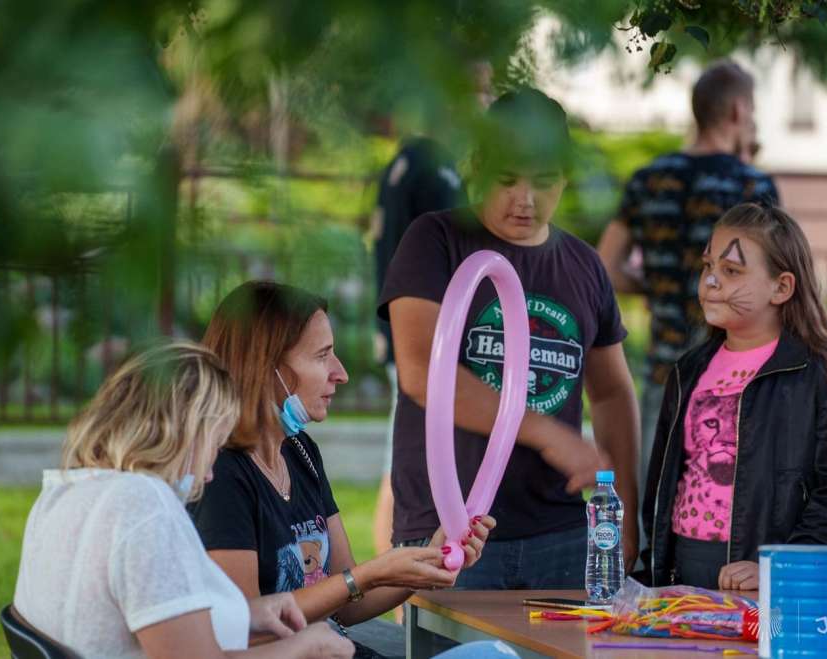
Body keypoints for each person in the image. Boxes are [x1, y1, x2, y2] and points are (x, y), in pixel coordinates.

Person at [379, 87, 641, 588]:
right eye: (506, 180)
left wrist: (623, 512)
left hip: (559, 532)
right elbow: (421, 375)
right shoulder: (435, 240)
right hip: (450, 531)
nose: (525, 200)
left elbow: (611, 392)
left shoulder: (585, 265)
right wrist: (548, 433)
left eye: (544, 182)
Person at [189, 282, 495, 657]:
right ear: (265, 366)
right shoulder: (220, 473)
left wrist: (432, 559)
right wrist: (368, 575)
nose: (341, 373)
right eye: (322, 356)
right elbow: (245, 628)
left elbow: (348, 603)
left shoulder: (300, 451)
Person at [13, 341, 355, 658]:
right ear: (187, 431)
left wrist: (246, 616)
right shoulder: (143, 507)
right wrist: (302, 646)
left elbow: (135, 611)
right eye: (214, 444)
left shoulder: (65, 492)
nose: (210, 473)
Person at [641, 203, 827, 590]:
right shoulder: (688, 371)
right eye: (708, 266)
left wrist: (779, 566)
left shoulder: (825, 372)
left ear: (781, 287)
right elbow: (663, 485)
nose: (711, 281)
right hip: (683, 573)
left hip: (770, 583)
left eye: (731, 271)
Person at [596, 60, 779, 519]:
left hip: (665, 368)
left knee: (654, 503)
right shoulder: (750, 185)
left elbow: (605, 267)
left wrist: (657, 286)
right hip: (733, 376)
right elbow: (771, 278)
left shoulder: (648, 180)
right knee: (719, 511)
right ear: (738, 110)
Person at [371, 130, 465, 571]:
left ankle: (388, 579)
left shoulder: (412, 162)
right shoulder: (427, 164)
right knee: (406, 467)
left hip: (417, 339)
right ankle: (390, 579)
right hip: (420, 342)